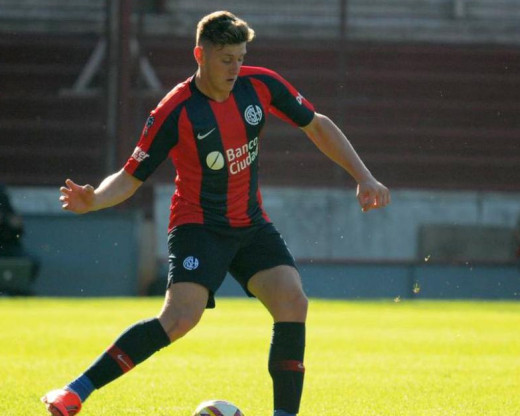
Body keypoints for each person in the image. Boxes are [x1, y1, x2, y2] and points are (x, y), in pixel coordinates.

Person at [41, 10, 390, 416]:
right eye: (226, 59)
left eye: (240, 57)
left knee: (292, 302)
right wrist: (95, 199)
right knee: (179, 318)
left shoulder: (260, 85)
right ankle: (75, 391)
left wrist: (363, 176)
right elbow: (131, 176)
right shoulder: (175, 110)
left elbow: (316, 125)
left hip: (250, 224)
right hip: (198, 226)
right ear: (200, 55)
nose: (235, 67)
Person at [0, 183, 39, 295]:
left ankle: (19, 291)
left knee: (31, 262)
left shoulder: (2, 195)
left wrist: (8, 220)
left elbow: (17, 226)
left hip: (8, 246)